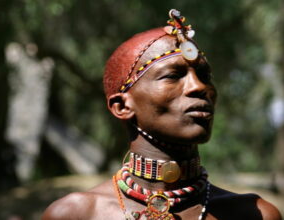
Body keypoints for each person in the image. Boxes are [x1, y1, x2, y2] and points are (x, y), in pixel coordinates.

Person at [42, 9, 282, 220]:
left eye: (204, 76)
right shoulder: (77, 214)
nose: (199, 87)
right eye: (172, 75)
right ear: (122, 106)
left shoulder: (254, 214)